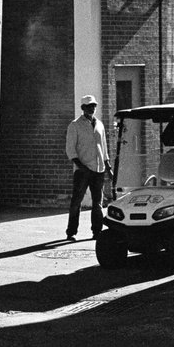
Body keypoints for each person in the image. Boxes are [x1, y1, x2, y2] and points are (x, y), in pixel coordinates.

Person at [65, 94, 110, 240]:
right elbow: (70, 149)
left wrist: (108, 166)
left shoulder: (99, 124)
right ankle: (71, 232)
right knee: (76, 201)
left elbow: (103, 147)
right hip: (82, 170)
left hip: (99, 169)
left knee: (98, 202)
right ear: (83, 108)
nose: (92, 108)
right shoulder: (75, 125)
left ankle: (97, 231)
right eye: (89, 106)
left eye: (94, 106)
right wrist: (80, 166)